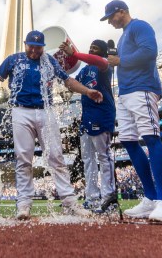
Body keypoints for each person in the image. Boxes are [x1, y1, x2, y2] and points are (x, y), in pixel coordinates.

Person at [0, 30, 103, 220]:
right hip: (20, 111)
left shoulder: (49, 61)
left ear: (43, 47)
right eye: (31, 46)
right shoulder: (14, 59)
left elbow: (68, 81)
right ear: (25, 44)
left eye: (38, 47)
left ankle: (69, 202)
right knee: (23, 158)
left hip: (46, 110)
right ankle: (23, 204)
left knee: (56, 156)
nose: (34, 51)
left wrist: (87, 91)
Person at [101, 0, 162, 221]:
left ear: (122, 11)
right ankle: (151, 198)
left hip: (141, 88)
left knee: (151, 138)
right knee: (129, 142)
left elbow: (149, 53)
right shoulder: (123, 36)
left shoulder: (140, 26)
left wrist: (120, 60)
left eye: (112, 17)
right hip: (125, 93)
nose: (110, 22)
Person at [59, 39, 117, 213]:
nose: (92, 49)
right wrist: (59, 70)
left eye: (96, 48)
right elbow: (72, 85)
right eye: (90, 46)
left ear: (103, 52)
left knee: (104, 157)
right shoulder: (84, 70)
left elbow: (98, 61)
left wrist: (74, 54)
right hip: (86, 118)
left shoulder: (104, 66)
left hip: (102, 114)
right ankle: (91, 197)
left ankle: (109, 197)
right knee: (88, 160)